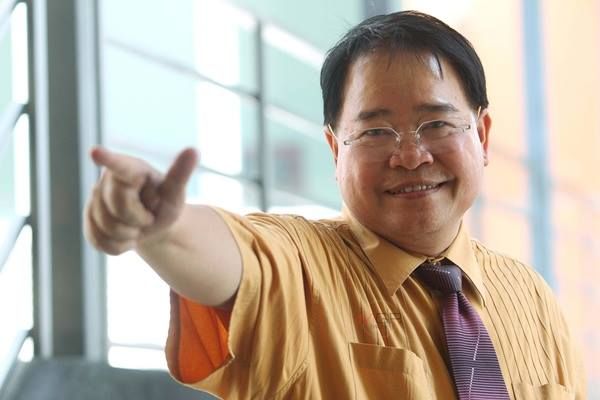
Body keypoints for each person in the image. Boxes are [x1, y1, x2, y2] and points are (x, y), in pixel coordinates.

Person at [84, 10, 586, 400]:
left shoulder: (532, 298)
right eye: (375, 131)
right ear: (334, 149)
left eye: (436, 124)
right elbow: (236, 260)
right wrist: (163, 229)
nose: (411, 155)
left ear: (482, 135)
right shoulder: (302, 273)